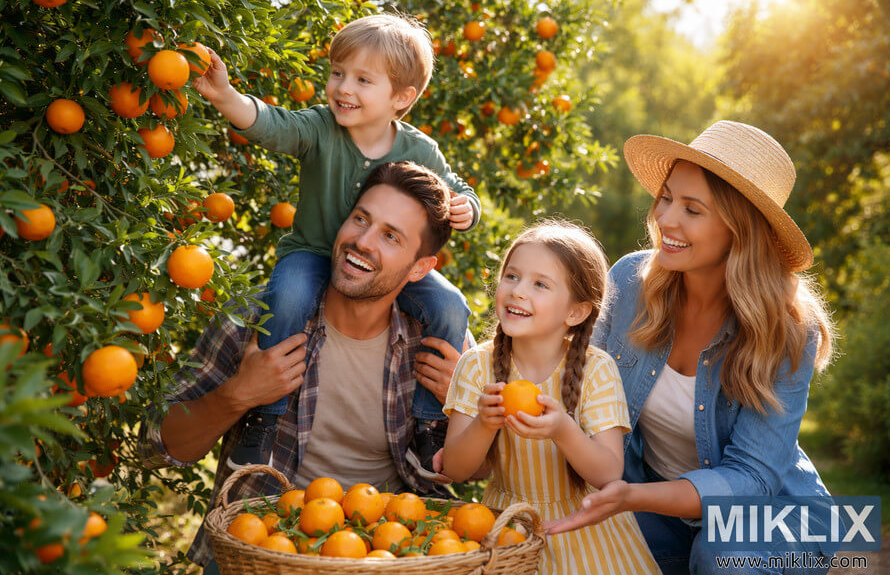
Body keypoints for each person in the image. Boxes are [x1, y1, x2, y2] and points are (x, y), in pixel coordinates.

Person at [139, 161, 471, 573]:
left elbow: (481, 471)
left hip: (388, 556)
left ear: (420, 268)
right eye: (360, 219)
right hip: (258, 550)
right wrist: (237, 395)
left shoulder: (441, 348)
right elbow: (156, 447)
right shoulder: (259, 320)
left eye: (390, 236)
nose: (362, 242)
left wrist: (463, 407)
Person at [543, 121, 836, 575]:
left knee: (722, 557)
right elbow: (579, 391)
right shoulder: (629, 282)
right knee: (563, 546)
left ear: (741, 231)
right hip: (659, 508)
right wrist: (492, 375)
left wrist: (633, 498)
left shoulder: (789, 330)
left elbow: (753, 479)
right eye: (666, 198)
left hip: (773, 517)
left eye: (692, 210)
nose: (665, 219)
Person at [192, 13, 481, 469]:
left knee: (450, 306)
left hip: (382, 268)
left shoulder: (421, 151)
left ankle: (430, 423)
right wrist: (227, 96)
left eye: (363, 79)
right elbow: (271, 123)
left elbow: (453, 189)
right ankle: (264, 419)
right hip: (311, 254)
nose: (343, 88)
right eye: (337, 73)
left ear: (401, 97)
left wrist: (467, 207)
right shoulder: (320, 128)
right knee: (286, 297)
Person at [440, 221, 661, 575]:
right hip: (508, 528)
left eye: (540, 284)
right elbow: (456, 469)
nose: (517, 291)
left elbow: (609, 474)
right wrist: (484, 424)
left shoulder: (596, 369)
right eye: (512, 276)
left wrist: (563, 429)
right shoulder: (476, 365)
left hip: (586, 533)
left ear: (575, 312)